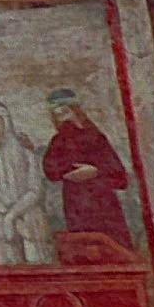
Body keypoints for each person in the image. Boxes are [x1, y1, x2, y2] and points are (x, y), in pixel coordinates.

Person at [42, 88, 138, 253]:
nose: (64, 119)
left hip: (102, 204)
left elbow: (120, 178)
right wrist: (67, 172)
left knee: (113, 249)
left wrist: (95, 171)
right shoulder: (58, 142)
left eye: (66, 112)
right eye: (58, 115)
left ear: (76, 111)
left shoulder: (95, 137)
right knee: (84, 249)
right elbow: (50, 170)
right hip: (76, 205)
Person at [0, 98, 57, 266]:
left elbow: (35, 190)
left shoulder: (25, 149)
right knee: (10, 268)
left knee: (39, 266)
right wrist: (7, 216)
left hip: (29, 215)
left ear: (5, 121)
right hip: (0, 220)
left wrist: (14, 215)